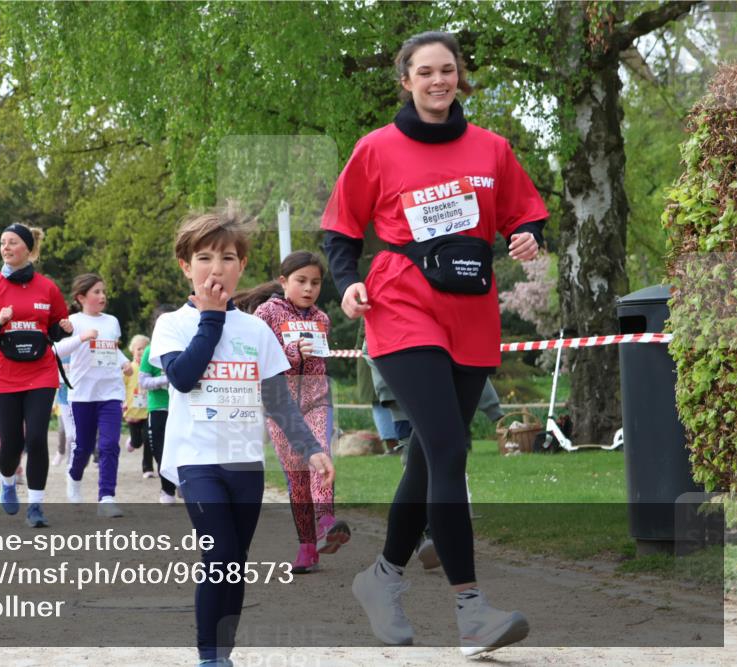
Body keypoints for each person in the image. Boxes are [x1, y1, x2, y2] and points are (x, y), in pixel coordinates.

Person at [322, 32, 546, 656]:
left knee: (428, 455)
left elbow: (523, 215)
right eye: (426, 72)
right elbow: (341, 231)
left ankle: (383, 579)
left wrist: (528, 238)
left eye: (448, 70)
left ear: (460, 77)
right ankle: (471, 610)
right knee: (448, 447)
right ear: (407, 80)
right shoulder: (376, 149)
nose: (438, 80)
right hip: (400, 304)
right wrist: (348, 285)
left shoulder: (492, 148)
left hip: (471, 311)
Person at [150, 203, 335, 667]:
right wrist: (211, 318)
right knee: (219, 557)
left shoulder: (255, 330)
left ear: (243, 266)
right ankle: (209, 659)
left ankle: (223, 655)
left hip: (244, 465)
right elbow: (185, 376)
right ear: (185, 266)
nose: (217, 268)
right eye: (206, 258)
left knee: (234, 564)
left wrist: (312, 449)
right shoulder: (172, 324)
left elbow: (277, 399)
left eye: (228, 258)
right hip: (195, 462)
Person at [245, 251, 350, 574]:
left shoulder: (322, 318)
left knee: (319, 452)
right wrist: (291, 352)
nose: (309, 289)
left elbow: (318, 361)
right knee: (297, 480)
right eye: (301, 281)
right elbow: (259, 358)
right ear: (283, 282)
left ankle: (326, 520)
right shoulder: (267, 313)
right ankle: (308, 548)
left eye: (315, 283)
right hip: (281, 406)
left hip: (317, 399)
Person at [0, 223, 71, 527]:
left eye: (12, 243)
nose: (6, 248)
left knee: (37, 438)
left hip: (41, 371)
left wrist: (63, 329)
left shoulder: (47, 287)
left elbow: (53, 327)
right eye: (2, 243)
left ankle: (36, 506)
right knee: (12, 441)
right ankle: (8, 481)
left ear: (27, 248)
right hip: (3, 372)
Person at [55, 273, 131, 517]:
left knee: (109, 445)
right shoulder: (72, 321)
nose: (102, 296)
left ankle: (106, 497)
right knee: (84, 447)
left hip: (111, 391)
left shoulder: (112, 321)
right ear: (81, 297)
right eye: (96, 292)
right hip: (83, 394)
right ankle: (74, 476)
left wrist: (125, 361)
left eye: (103, 291)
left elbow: (111, 349)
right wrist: (81, 337)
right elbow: (56, 350)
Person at [139, 305, 179, 505]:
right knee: (161, 450)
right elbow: (143, 382)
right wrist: (165, 379)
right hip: (158, 408)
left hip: (180, 407)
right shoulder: (149, 350)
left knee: (181, 447)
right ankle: (167, 489)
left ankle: (183, 483)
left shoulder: (183, 346)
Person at [123, 334, 153, 478]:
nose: (142, 351)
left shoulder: (151, 369)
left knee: (149, 438)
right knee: (138, 442)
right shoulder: (129, 369)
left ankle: (147, 468)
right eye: (139, 348)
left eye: (145, 348)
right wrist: (122, 403)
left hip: (148, 410)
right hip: (133, 412)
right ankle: (133, 442)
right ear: (132, 351)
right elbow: (121, 387)